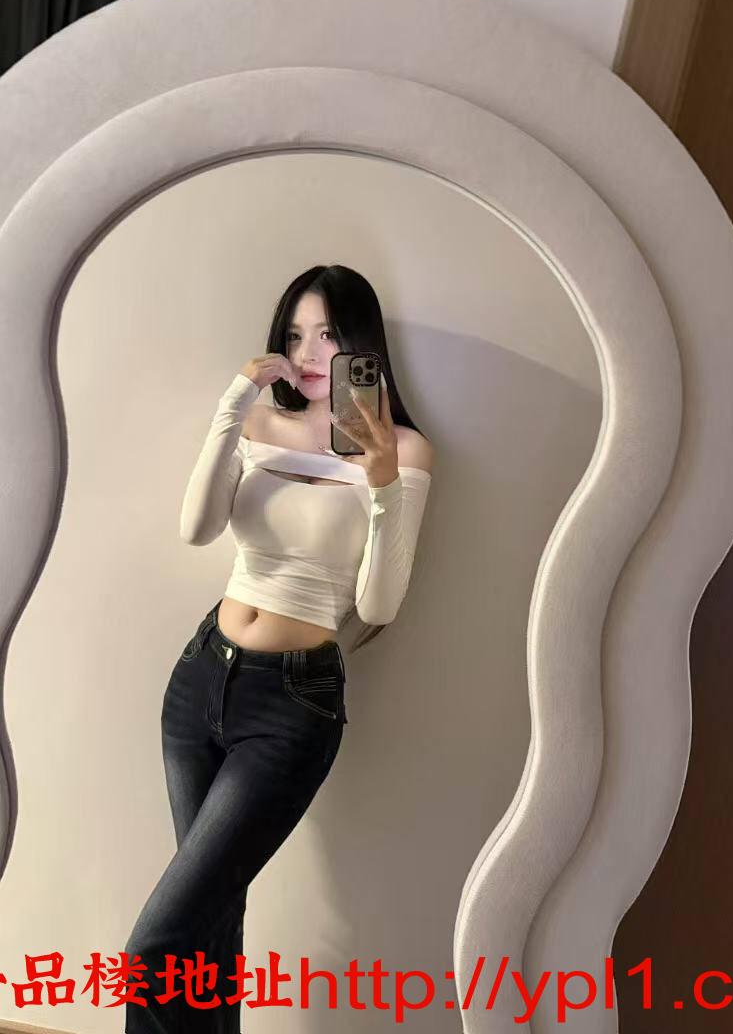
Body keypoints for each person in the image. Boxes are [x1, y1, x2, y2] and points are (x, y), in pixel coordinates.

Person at [122, 265, 434, 1033]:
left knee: (157, 946)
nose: (308, 353)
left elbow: (378, 607)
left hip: (292, 704)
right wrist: (234, 405)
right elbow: (197, 528)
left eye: (328, 334)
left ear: (362, 342)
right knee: (207, 933)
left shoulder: (405, 451)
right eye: (295, 335)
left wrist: (384, 487)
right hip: (201, 679)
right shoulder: (260, 424)